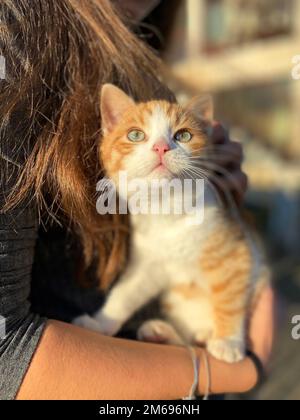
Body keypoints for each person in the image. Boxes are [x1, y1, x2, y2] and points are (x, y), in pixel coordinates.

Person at [0, 0, 274, 400]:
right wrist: (240, 372)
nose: (161, 148)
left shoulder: (138, 38)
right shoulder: (19, 30)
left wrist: (220, 183)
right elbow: (7, 355)